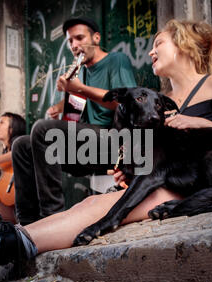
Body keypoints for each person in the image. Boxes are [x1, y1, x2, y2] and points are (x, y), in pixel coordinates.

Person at [0, 19, 212, 282]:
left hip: (195, 177)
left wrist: (196, 121)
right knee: (53, 171)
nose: (150, 52)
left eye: (158, 43)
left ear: (183, 44)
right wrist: (130, 167)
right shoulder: (160, 98)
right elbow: (149, 150)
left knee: (87, 199)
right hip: (164, 171)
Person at [12, 17, 137, 224]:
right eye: (70, 41)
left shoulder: (116, 60)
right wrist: (61, 106)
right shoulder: (82, 73)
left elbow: (127, 104)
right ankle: (28, 224)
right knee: (21, 145)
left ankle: (52, 219)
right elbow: (75, 118)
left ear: (96, 38)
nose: (74, 45)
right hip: (89, 145)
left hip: (116, 143)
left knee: (43, 130)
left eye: (79, 38)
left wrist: (80, 89)